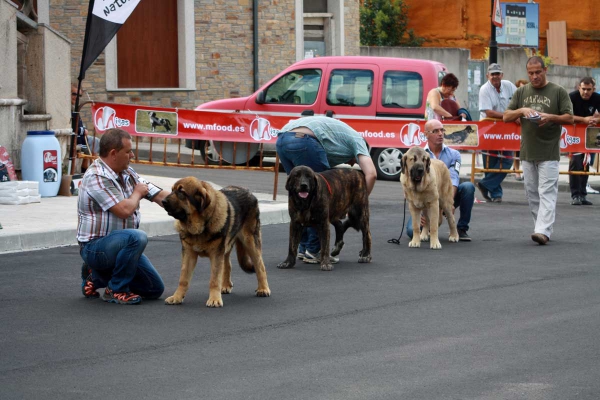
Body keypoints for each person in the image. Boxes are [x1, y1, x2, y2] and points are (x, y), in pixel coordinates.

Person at [77, 128, 169, 304]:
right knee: (137, 237)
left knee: (154, 289)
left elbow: (158, 194)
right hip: (95, 248)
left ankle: (95, 276)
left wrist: (187, 202)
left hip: (121, 247)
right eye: (128, 152)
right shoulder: (96, 176)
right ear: (113, 153)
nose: (132, 155)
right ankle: (116, 289)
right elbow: (123, 210)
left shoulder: (127, 172)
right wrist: (137, 193)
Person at [276, 116, 377, 263]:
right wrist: (359, 199)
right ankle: (314, 250)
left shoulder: (339, 140)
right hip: (304, 140)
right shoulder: (358, 141)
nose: (350, 164)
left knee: (301, 194)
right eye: (355, 161)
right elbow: (371, 174)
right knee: (320, 197)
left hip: (282, 140)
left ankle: (302, 249)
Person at [503, 56, 574, 245]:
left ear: (545, 70)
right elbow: (506, 116)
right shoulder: (521, 92)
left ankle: (543, 231)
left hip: (549, 151)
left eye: (538, 72)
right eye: (531, 73)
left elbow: (569, 117)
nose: (534, 76)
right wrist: (522, 110)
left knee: (547, 192)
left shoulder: (558, 91)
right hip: (527, 151)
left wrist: (550, 117)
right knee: (531, 193)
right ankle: (540, 228)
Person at [406, 119, 475, 241]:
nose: (440, 133)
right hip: (425, 199)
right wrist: (423, 212)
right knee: (411, 232)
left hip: (447, 194)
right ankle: (426, 225)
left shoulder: (454, 154)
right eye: (436, 131)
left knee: (468, 187)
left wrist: (448, 203)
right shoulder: (418, 155)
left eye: (442, 130)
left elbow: (454, 177)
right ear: (426, 134)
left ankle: (461, 229)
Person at [477, 63, 518, 203]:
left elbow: (519, 100)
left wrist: (518, 113)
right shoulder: (484, 89)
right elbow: (488, 112)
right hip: (488, 129)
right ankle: (496, 194)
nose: (495, 76)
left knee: (508, 159)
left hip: (506, 129)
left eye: (497, 73)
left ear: (502, 75)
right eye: (492, 74)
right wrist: (509, 116)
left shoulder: (509, 85)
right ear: (488, 75)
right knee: (490, 161)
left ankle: (486, 184)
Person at [568, 77, 600, 206]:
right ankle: (575, 195)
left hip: (590, 134)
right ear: (578, 88)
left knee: (587, 163)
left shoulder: (597, 98)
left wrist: (597, 120)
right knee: (576, 163)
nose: (586, 92)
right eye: (583, 89)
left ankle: (582, 193)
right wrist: (584, 120)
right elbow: (565, 116)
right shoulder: (572, 97)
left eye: (589, 89)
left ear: (594, 89)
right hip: (575, 133)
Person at [71, 85, 100, 171]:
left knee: (95, 141)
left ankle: (90, 167)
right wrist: (83, 130)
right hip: (75, 137)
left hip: (80, 136)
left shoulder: (75, 108)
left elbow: (79, 124)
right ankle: (92, 168)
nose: (76, 97)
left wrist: (83, 129)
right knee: (94, 142)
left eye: (79, 95)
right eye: (74, 94)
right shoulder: (69, 108)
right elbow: (72, 126)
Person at [513, 79, 529, 181]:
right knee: (516, 150)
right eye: (519, 87)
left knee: (525, 151)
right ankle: (517, 170)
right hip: (515, 129)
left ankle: (525, 171)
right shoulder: (515, 99)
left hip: (527, 129)